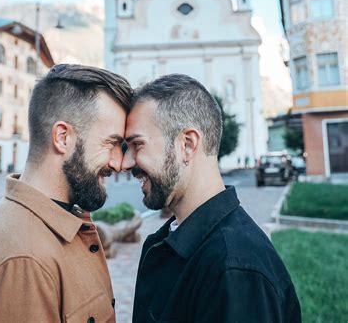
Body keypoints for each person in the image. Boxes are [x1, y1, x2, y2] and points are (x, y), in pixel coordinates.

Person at [0, 64, 132, 323]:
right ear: (63, 137)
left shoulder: (58, 222)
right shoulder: (23, 261)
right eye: (111, 143)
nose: (119, 163)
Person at [123, 74, 301, 323]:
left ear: (187, 144)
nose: (125, 162)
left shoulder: (235, 272)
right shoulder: (172, 241)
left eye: (137, 145)